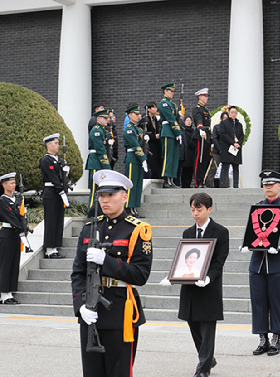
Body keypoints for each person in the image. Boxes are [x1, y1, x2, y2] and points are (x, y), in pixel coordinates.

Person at [71, 169, 152, 377]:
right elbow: (78, 273)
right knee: (92, 372)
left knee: (119, 372)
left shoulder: (136, 230)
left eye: (111, 195)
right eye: (101, 195)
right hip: (90, 311)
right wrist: (80, 306)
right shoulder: (89, 228)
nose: (105, 200)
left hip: (119, 312)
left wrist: (106, 261)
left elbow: (140, 275)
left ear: (125, 197)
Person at [241, 169, 280, 356]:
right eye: (265, 184)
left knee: (276, 301)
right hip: (257, 261)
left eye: (272, 184)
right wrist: (246, 244)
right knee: (258, 301)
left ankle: (276, 338)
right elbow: (253, 232)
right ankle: (262, 338)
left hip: (278, 262)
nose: (268, 187)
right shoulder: (257, 207)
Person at [178, 192, 229, 377]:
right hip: (190, 287)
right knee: (193, 325)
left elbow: (219, 261)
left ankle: (203, 369)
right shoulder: (188, 233)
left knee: (207, 328)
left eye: (199, 209)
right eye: (192, 209)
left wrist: (208, 277)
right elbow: (183, 260)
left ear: (209, 208)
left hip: (209, 286)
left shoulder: (221, 232)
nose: (195, 213)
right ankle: (208, 357)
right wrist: (174, 276)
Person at [0, 172, 31, 304]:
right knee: (5, 264)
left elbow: (20, 217)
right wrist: (21, 230)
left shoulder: (15, 199)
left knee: (14, 264)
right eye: (11, 183)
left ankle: (10, 292)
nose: (14, 185)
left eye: (14, 183)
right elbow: (11, 217)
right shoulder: (2, 200)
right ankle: (3, 294)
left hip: (16, 234)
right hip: (7, 233)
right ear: (4, 184)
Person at [40, 133, 68, 259]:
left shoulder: (59, 160)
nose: (58, 146)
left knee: (58, 219)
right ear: (49, 145)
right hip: (51, 192)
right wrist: (61, 191)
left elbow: (62, 177)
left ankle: (55, 247)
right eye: (55, 143)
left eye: (58, 143)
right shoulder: (46, 160)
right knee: (51, 220)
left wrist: (66, 171)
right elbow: (53, 177)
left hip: (59, 192)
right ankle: (49, 249)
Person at [123, 104, 147, 217]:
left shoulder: (138, 129)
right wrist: (143, 159)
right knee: (131, 184)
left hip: (138, 159)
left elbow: (141, 145)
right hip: (133, 158)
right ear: (129, 115)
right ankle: (128, 207)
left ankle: (135, 207)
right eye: (136, 114)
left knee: (138, 184)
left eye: (139, 114)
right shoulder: (128, 129)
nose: (138, 116)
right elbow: (135, 145)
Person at [86, 109, 112, 210]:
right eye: (105, 118)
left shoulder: (103, 130)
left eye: (107, 118)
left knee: (101, 189)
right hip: (96, 162)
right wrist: (107, 166)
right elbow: (100, 149)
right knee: (94, 189)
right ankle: (91, 212)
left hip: (99, 161)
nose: (107, 120)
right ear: (98, 119)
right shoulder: (96, 131)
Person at [159, 82, 182, 189]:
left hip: (173, 132)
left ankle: (171, 180)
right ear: (165, 91)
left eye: (173, 91)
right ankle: (166, 180)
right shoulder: (164, 104)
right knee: (168, 157)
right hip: (168, 131)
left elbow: (176, 118)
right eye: (170, 91)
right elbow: (170, 119)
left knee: (174, 157)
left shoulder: (172, 104)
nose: (172, 93)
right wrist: (178, 132)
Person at [218, 106, 245, 188]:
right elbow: (223, 135)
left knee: (236, 168)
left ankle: (236, 185)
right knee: (225, 167)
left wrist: (238, 143)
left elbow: (242, 135)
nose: (233, 114)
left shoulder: (239, 124)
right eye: (232, 112)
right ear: (229, 113)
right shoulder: (224, 123)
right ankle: (222, 185)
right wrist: (233, 143)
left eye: (235, 113)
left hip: (236, 149)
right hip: (227, 148)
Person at [191, 88, 212, 188]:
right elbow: (198, 121)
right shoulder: (197, 109)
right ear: (200, 97)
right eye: (204, 96)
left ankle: (202, 181)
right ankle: (197, 182)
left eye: (207, 96)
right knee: (199, 160)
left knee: (205, 160)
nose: (206, 98)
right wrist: (200, 127)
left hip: (207, 136)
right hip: (200, 136)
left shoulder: (206, 111)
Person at [205, 112, 228, 188]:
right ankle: (209, 183)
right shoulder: (216, 127)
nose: (225, 119)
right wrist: (219, 149)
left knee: (225, 168)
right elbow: (214, 139)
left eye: (227, 118)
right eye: (224, 117)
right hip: (217, 151)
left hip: (226, 152)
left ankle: (224, 184)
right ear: (221, 118)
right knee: (214, 167)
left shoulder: (230, 129)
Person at [141, 103, 162, 179]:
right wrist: (153, 136)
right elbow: (144, 133)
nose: (155, 109)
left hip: (156, 145)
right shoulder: (145, 119)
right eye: (153, 107)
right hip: (149, 144)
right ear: (149, 109)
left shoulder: (156, 119)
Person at [180, 116, 197, 188]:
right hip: (186, 153)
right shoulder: (183, 131)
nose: (189, 122)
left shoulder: (193, 131)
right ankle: (184, 185)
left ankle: (189, 184)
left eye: (190, 120)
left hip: (192, 154)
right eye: (187, 120)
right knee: (185, 170)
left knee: (190, 170)